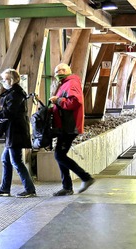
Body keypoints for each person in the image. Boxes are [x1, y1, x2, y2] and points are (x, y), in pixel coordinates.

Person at [0, 68, 37, 198]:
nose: (3, 81)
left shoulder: (15, 94)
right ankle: (5, 188)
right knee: (6, 159)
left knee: (16, 161)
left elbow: (9, 113)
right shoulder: (14, 93)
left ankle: (29, 189)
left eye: (4, 79)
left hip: (16, 133)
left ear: (11, 80)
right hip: (13, 133)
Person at [49, 63, 95, 196]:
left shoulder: (71, 83)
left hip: (69, 126)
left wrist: (57, 101)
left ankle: (85, 177)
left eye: (63, 70)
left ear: (70, 70)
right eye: (57, 71)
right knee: (60, 155)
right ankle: (67, 187)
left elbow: (74, 102)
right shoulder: (64, 83)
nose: (59, 72)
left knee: (59, 155)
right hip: (65, 126)